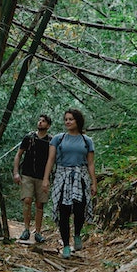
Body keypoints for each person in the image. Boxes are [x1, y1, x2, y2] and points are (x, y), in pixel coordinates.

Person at [42, 109, 97, 258]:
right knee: (63, 211)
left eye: (71, 119)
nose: (67, 122)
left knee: (80, 209)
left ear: (77, 121)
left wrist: (93, 182)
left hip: (80, 176)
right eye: (66, 119)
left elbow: (90, 163)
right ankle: (66, 245)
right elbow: (51, 159)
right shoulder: (58, 139)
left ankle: (77, 234)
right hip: (62, 175)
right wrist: (46, 179)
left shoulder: (87, 141)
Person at [13, 114, 53, 243]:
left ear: (48, 125)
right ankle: (26, 229)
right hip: (27, 174)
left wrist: (48, 178)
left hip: (42, 176)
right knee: (27, 200)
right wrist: (16, 172)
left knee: (40, 203)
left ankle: (38, 231)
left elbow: (52, 160)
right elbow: (18, 155)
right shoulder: (29, 138)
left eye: (43, 121)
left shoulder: (50, 141)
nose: (40, 123)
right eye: (39, 120)